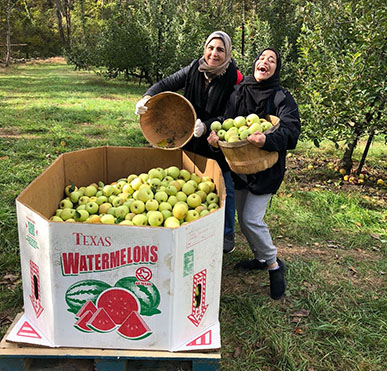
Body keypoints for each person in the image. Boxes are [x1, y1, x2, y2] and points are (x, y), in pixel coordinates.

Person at [135, 31, 243, 253]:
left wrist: (208, 125)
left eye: (220, 50)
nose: (214, 53)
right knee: (190, 180)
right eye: (210, 47)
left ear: (228, 53)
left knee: (224, 183)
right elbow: (167, 83)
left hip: (215, 138)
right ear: (204, 49)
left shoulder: (235, 78)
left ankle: (227, 233)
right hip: (187, 134)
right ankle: (193, 227)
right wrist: (147, 96)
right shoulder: (195, 67)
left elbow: (233, 115)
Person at [207, 48, 301, 299]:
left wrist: (267, 140)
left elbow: (291, 131)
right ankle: (260, 258)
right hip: (240, 166)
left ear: (276, 69)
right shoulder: (241, 91)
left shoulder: (282, 96)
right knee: (242, 216)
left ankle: (273, 264)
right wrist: (216, 136)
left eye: (271, 60)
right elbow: (226, 120)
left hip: (267, 169)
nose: (265, 62)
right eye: (261, 58)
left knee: (251, 219)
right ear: (254, 64)